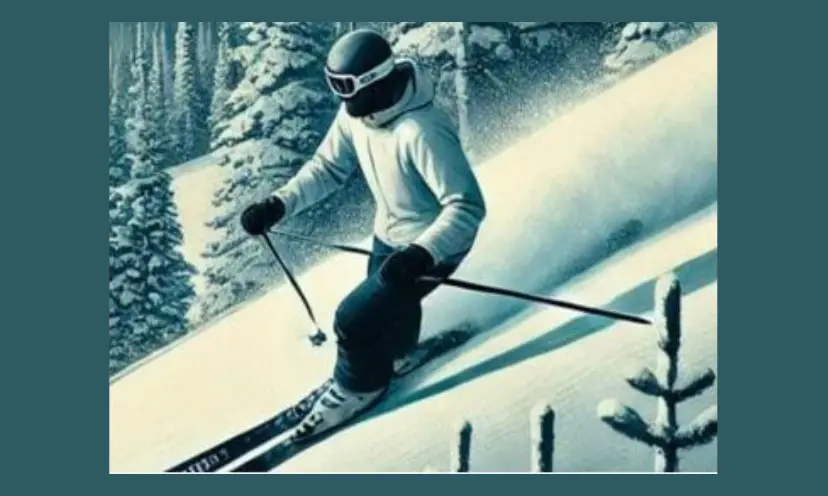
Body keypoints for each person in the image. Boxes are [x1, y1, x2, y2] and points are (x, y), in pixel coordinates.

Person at [239, 28, 487, 441]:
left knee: (353, 319)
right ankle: (394, 356)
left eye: (345, 86)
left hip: (431, 248)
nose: (339, 96)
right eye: (332, 83)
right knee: (387, 313)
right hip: (390, 237)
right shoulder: (359, 115)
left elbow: (467, 207)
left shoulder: (421, 130)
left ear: (373, 80)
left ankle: (358, 388)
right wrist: (278, 204)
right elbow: (328, 168)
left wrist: (421, 255)